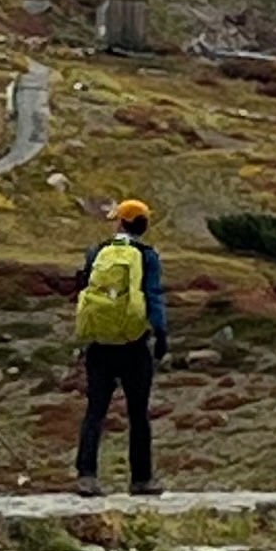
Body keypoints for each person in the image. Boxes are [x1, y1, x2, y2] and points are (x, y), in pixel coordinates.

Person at [72, 198, 168, 494]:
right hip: (134, 344)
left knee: (95, 411)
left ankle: (86, 475)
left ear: (120, 222)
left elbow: (84, 288)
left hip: (100, 344)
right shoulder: (147, 256)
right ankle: (141, 479)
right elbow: (152, 296)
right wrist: (161, 333)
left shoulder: (98, 252)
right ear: (144, 225)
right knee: (138, 413)